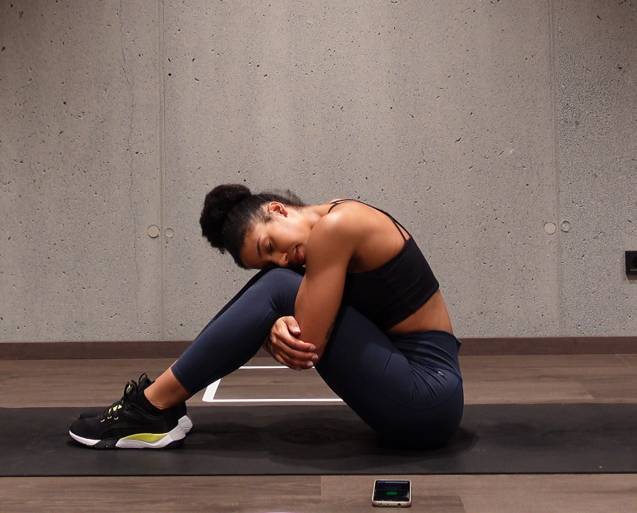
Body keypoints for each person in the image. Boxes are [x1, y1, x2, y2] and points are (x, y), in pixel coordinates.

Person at [68, 184, 463, 450]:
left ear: (277, 209)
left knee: (278, 286)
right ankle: (157, 405)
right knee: (279, 284)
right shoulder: (332, 224)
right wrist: (272, 325)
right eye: (269, 258)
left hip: (427, 396)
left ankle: (150, 407)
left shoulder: (337, 226)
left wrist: (275, 326)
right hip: (414, 388)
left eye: (270, 244)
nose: (282, 258)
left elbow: (307, 344)